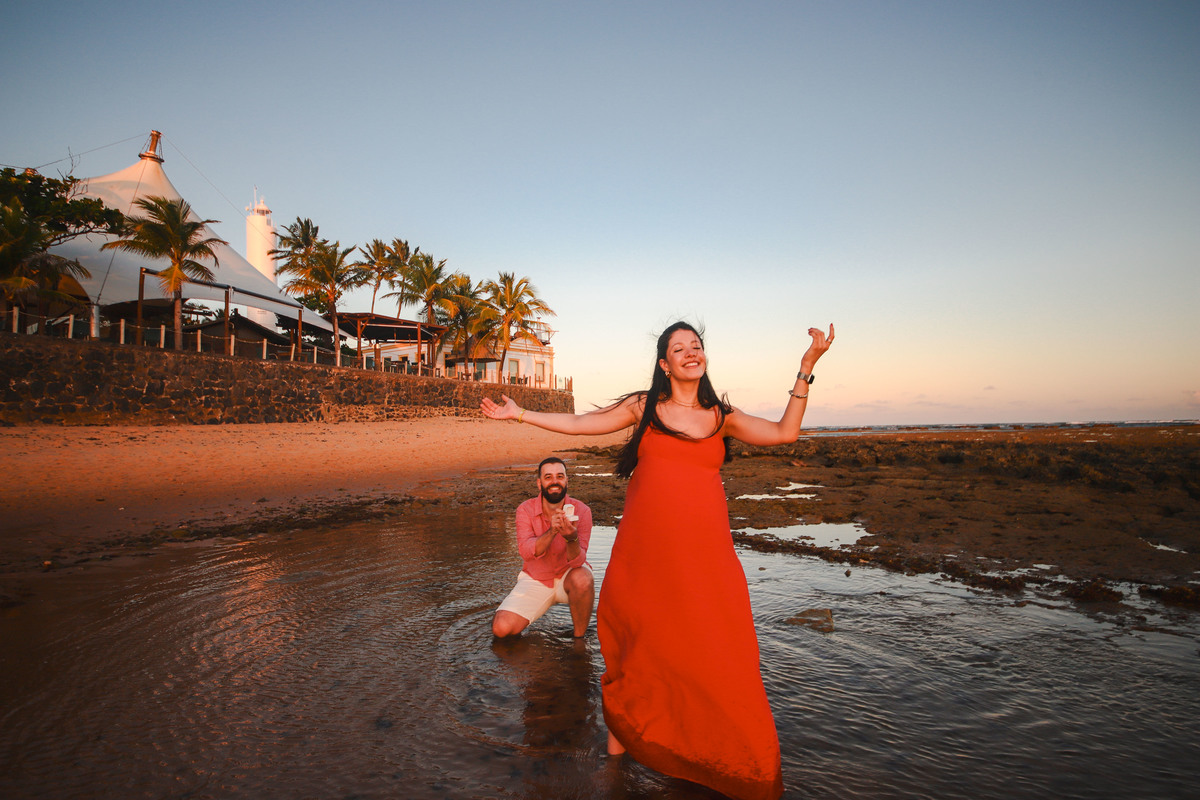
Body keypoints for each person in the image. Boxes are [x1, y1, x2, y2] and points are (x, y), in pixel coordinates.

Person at [481, 321, 834, 800]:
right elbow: (583, 422)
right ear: (665, 364)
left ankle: (714, 759)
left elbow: (785, 433)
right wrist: (521, 414)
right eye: (679, 348)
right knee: (635, 643)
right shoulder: (644, 407)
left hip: (707, 559)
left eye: (697, 345)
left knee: (720, 653)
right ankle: (618, 756)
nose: (691, 352)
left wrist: (806, 368)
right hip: (645, 554)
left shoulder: (720, 416)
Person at [492, 456, 595, 639]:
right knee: (501, 629)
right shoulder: (525, 510)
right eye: (548, 477)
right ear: (539, 484)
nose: (554, 482)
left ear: (566, 481)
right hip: (536, 578)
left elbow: (578, 561)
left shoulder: (583, 511)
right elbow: (526, 552)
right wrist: (552, 531)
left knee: (583, 577)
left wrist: (571, 538)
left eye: (559, 476)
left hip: (569, 576)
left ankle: (579, 640)